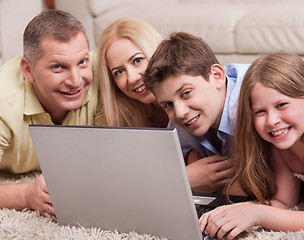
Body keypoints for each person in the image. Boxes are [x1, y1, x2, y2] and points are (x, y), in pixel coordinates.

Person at [199, 51, 304, 239]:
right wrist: (240, 210)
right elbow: (284, 202)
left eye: (281, 105)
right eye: (260, 111)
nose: (272, 120)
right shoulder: (281, 141)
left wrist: (257, 214)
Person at [97, 19, 236, 193]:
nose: (132, 77)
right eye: (119, 71)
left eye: (137, 60)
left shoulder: (222, 100)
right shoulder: (134, 117)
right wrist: (183, 178)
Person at [0, 10, 104, 217]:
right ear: (28, 70)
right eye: (58, 67)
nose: (76, 81)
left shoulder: (103, 74)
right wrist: (26, 195)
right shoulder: (4, 102)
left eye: (82, 62)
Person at [144, 32, 249, 195]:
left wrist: (185, 181)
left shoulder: (253, 104)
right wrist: (186, 177)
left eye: (186, 93)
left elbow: (267, 182)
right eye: (168, 104)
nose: (179, 112)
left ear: (217, 76)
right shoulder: (181, 120)